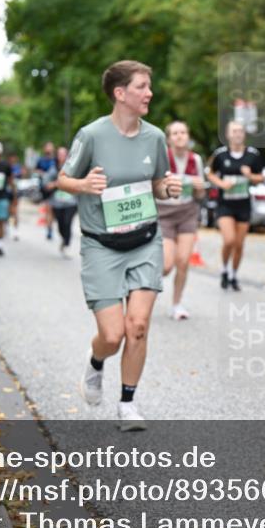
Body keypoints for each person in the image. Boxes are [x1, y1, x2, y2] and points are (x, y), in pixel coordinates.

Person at [55, 60, 183, 431]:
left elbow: (158, 183)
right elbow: (63, 180)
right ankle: (96, 363)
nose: (150, 93)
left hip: (145, 240)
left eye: (149, 86)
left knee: (138, 325)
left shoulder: (155, 137)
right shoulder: (91, 136)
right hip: (101, 246)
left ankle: (128, 403)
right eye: (142, 86)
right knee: (112, 336)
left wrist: (167, 189)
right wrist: (83, 185)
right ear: (120, 93)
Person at [207, 121, 265, 290]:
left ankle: (233, 274)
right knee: (229, 240)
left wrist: (251, 176)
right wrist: (221, 183)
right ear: (228, 135)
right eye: (234, 131)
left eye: (240, 131)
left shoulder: (252, 155)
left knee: (239, 244)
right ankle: (224, 268)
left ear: (244, 134)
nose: (238, 134)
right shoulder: (220, 154)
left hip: (243, 204)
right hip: (225, 205)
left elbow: (261, 177)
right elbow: (208, 173)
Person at [157, 121, 206, 320]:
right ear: (169, 138)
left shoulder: (196, 160)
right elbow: (154, 186)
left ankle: (177, 304)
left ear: (188, 136)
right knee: (167, 265)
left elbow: (201, 194)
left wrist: (198, 186)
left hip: (187, 211)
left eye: (183, 132)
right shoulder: (162, 159)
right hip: (164, 212)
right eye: (175, 133)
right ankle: (144, 287)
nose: (179, 136)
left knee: (184, 261)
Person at [44, 146, 79, 257]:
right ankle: (64, 240)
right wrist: (56, 184)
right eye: (59, 154)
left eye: (64, 154)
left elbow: (80, 182)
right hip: (57, 203)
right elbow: (46, 185)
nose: (62, 156)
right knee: (60, 225)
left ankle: (67, 245)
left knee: (67, 223)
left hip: (71, 202)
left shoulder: (74, 168)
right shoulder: (53, 169)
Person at [36, 142, 57, 241]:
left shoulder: (56, 160)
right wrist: (44, 174)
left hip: (56, 187)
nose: (48, 150)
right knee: (49, 208)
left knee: (53, 210)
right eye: (47, 148)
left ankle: (51, 225)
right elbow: (36, 171)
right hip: (46, 188)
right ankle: (49, 229)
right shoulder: (41, 160)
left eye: (50, 148)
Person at [8, 153, 24, 241]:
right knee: (8, 211)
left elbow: (20, 175)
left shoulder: (18, 167)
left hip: (16, 192)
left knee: (15, 212)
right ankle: (6, 226)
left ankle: (15, 230)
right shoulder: (6, 167)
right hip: (7, 192)